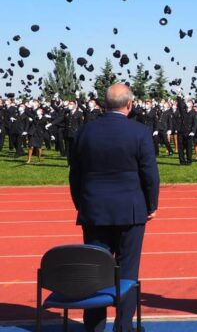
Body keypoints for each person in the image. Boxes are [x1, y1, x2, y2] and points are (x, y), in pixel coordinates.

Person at [69, 84, 159, 332]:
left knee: (95, 270)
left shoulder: (85, 131)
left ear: (104, 104)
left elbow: (75, 175)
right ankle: (124, 326)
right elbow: (150, 174)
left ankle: (94, 326)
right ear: (129, 105)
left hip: (94, 210)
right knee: (128, 271)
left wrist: (82, 203)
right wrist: (151, 205)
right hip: (130, 211)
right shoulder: (139, 132)